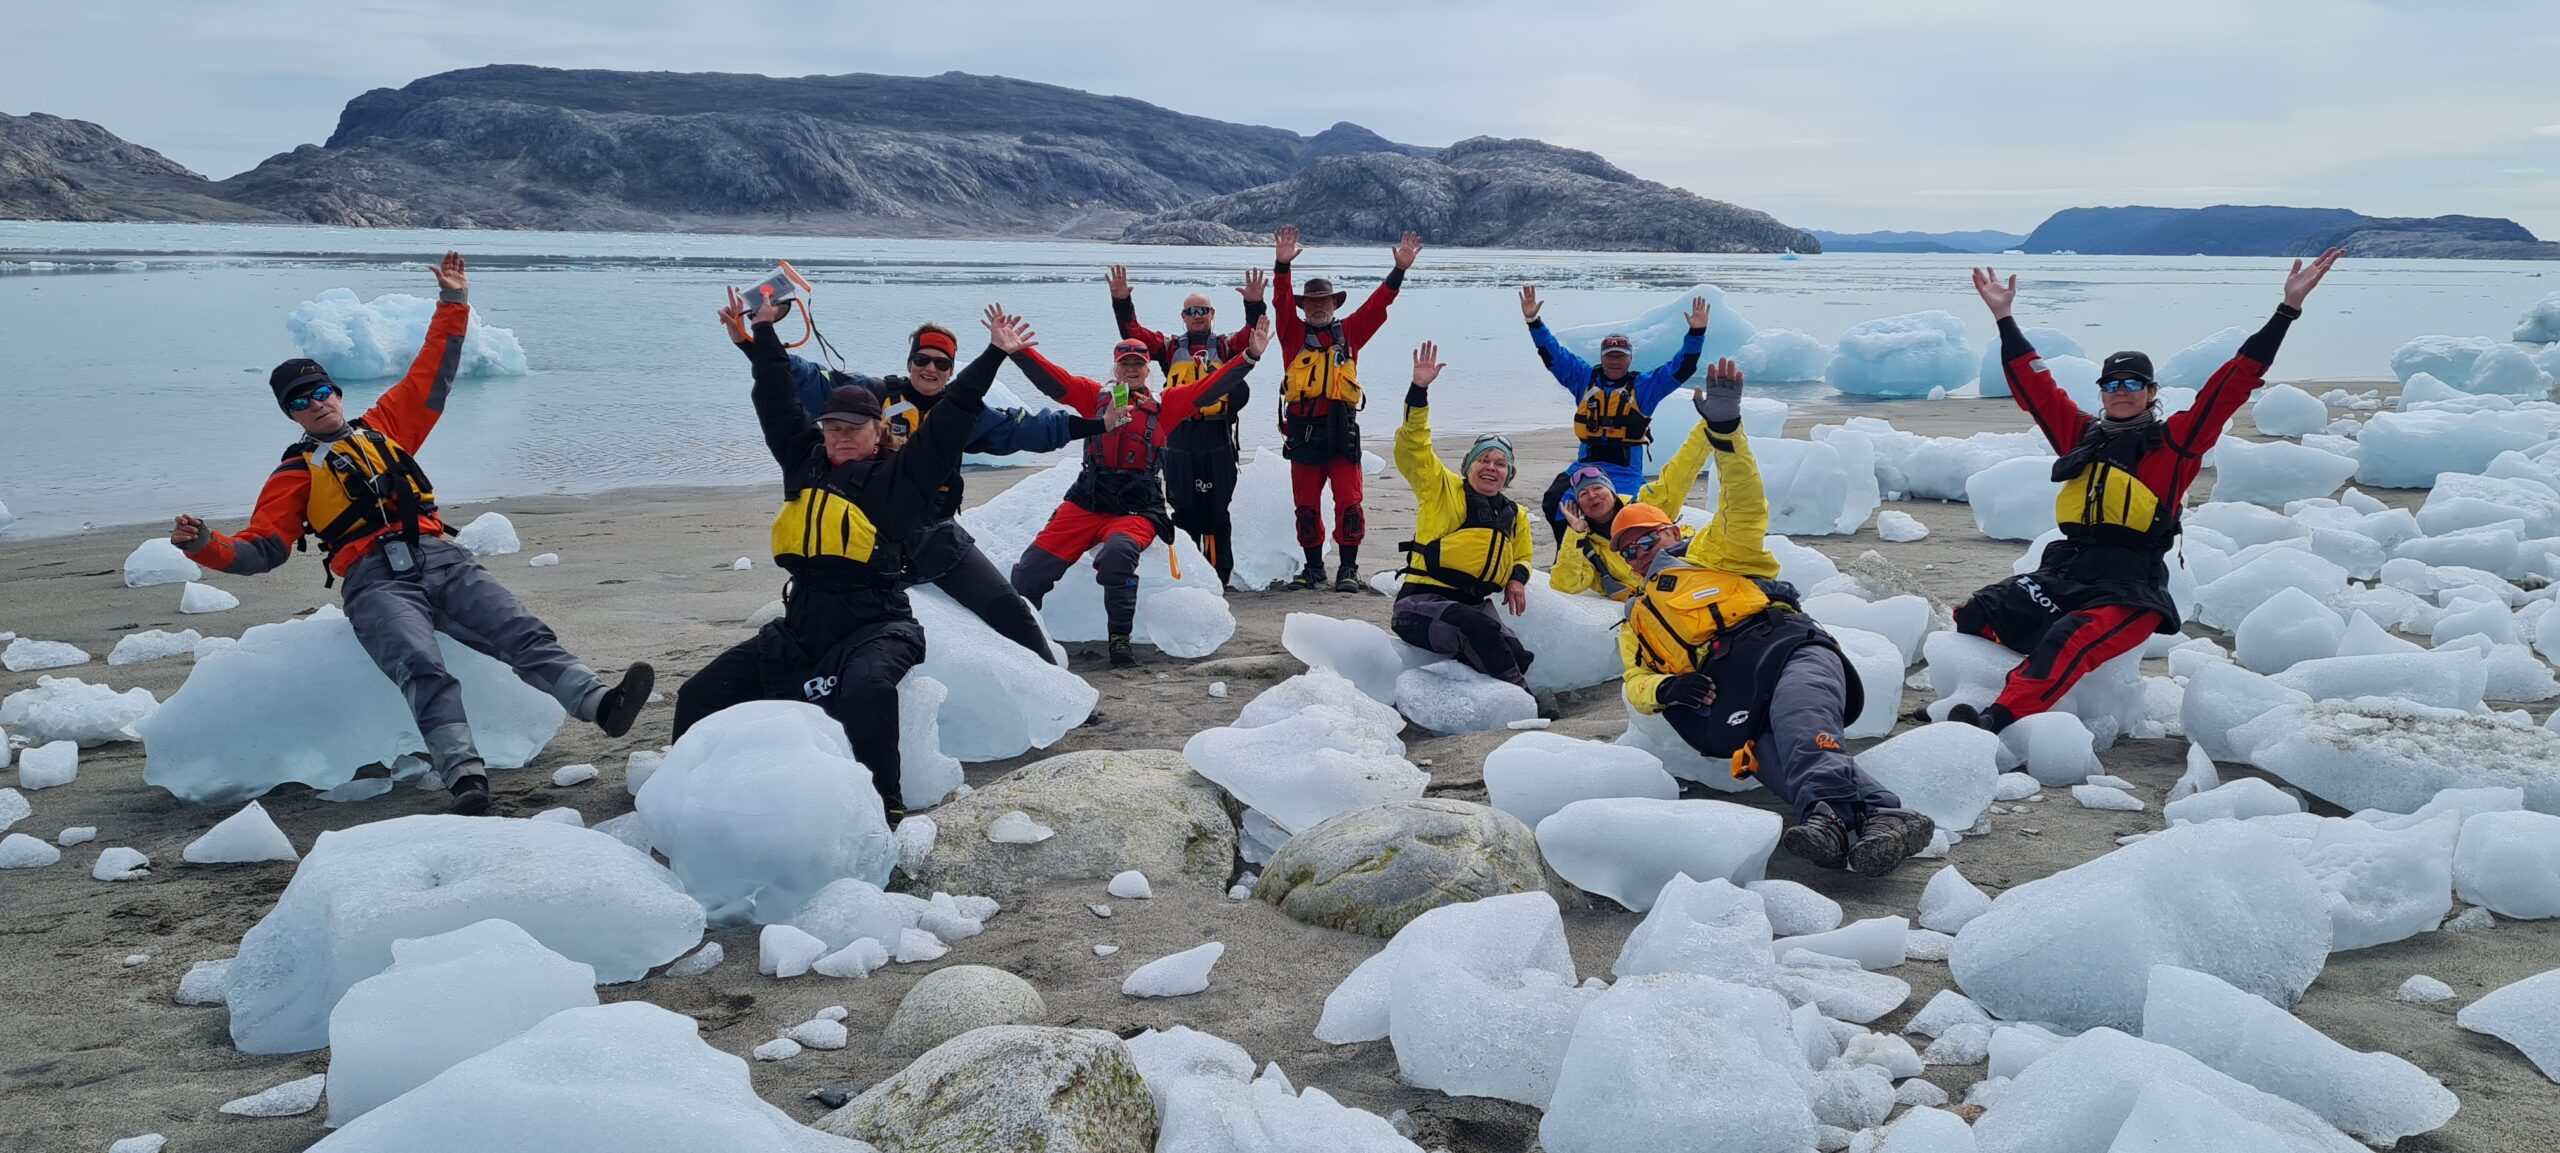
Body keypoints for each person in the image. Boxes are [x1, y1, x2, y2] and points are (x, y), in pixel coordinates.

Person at [171, 252, 653, 816]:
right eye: (300, 402)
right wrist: (204, 544)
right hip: (374, 583)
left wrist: (454, 301)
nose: (316, 404)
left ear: (336, 392)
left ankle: (601, 705)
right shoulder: (294, 473)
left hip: (441, 557)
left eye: (321, 391)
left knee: (521, 632)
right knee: (422, 668)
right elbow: (262, 549)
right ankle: (465, 776)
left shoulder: (388, 427)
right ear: (292, 415)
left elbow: (434, 370)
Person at [1947, 250, 2343, 733]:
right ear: (2102, 392)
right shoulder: (2080, 436)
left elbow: (2232, 384)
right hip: (2069, 571)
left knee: (2070, 638)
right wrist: (2004, 317)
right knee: (1978, 612)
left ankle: (1997, 718)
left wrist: (2287, 310)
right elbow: (2036, 387)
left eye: (2133, 382)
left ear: (2151, 392)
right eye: (2112, 383)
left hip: (2129, 588)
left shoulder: (2175, 443)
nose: (2122, 389)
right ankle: (1974, 693)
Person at [675, 299, 1020, 823]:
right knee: (699, 693)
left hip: (877, 625)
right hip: (802, 627)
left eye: (854, 427)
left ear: (878, 432)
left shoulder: (899, 480)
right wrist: (762, 331)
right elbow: (775, 396)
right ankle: (684, 794)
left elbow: (952, 417)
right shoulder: (803, 461)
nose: (841, 436)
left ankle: (885, 808)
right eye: (832, 426)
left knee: (867, 691)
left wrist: (994, 354)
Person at [1615, 359, 1934, 876]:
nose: (1639, 552)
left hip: (1787, 652)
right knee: (1768, 755)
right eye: (1628, 550)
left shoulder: (1714, 553)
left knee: (1800, 725)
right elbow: (1635, 681)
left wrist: (1725, 432)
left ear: (1671, 532)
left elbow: (1744, 504)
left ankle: (1830, 817)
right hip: (1734, 693)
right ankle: (1879, 817)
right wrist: (1667, 689)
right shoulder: (1635, 619)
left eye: (1646, 538)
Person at [725, 309, 1079, 664]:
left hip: (934, 534)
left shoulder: (962, 414)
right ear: (910, 362)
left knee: (1009, 610)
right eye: (922, 359)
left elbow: (1029, 430)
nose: (930, 368)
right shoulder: (869, 398)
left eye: (942, 363)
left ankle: (1054, 682)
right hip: (870, 535)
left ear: (951, 372)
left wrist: (1097, 424)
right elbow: (799, 379)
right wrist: (753, 339)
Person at [998, 314, 1274, 666]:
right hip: (1087, 501)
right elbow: (1054, 381)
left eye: (1138, 364)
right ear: (1115, 368)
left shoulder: (1166, 405)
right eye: (1125, 364)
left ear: (1148, 370)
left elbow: (1212, 386)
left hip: (1137, 508)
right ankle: (1021, 640)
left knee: (1117, 556)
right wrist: (1019, 352)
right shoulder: (1093, 397)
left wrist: (1248, 357)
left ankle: (1119, 638)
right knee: (1028, 572)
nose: (1131, 369)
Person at [1388, 341, 1548, 712]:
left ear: (1508, 474)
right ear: (1469, 465)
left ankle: (1474, 689)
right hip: (1419, 604)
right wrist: (1419, 390)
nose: (1491, 467)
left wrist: (1516, 580)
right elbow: (1413, 446)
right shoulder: (1440, 488)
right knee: (1476, 629)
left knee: (1515, 651)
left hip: (1475, 605)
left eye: (1500, 463)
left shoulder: (1515, 515)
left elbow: (1522, 555)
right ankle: (1524, 701)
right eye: (1484, 460)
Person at [1273, 225, 1422, 592]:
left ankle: (1348, 569)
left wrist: (1399, 270)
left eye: (1324, 301)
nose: (1318, 306)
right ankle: (1313, 569)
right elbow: (1279, 302)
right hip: (1303, 434)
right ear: (1303, 307)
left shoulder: (1351, 333)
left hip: (1342, 432)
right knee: (1306, 505)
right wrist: (1282, 266)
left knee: (1350, 502)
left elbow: (1378, 305)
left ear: (1334, 305)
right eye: (1312, 302)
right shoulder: (1292, 335)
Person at [1106, 263, 1270, 586]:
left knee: (1218, 510)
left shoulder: (1225, 346)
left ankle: (1220, 576)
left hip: (1217, 436)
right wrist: (1121, 302)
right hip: (1179, 439)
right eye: (1191, 311)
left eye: (1203, 310)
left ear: (1212, 314)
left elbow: (1254, 336)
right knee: (1183, 509)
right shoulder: (1170, 348)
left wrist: (1254, 304)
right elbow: (1134, 337)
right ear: (1183, 316)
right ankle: (1189, 576)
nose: (1197, 315)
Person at [1519, 285, 1711, 542]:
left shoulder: (1645, 388)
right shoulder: (1583, 379)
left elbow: (1682, 367)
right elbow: (1552, 354)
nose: (1614, 361)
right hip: (1586, 468)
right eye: (1609, 356)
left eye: (1620, 356)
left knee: (1626, 516)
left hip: (1626, 473)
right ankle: (1569, 553)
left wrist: (1697, 332)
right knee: (1556, 503)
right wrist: (1533, 321)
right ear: (1602, 357)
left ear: (1630, 359)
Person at [1547, 411, 1716, 602]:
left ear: (1613, 492)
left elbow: (1681, 470)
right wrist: (1575, 533)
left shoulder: (1647, 508)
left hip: (1698, 585)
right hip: (1656, 609)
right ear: (1580, 506)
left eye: (1598, 488)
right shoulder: (1589, 549)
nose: (1592, 496)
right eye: (1583, 494)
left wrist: (1711, 421)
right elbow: (1565, 584)